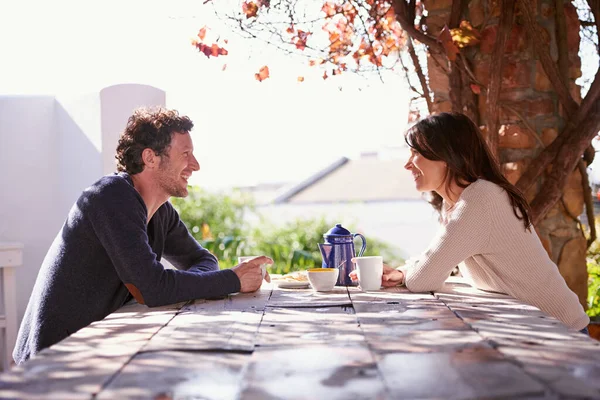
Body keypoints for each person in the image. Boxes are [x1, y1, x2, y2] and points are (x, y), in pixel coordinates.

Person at [13, 107, 272, 365]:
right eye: (185, 154)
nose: (195, 165)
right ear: (150, 158)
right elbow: (153, 289)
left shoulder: (161, 212)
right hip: (52, 361)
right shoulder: (111, 196)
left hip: (97, 348)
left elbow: (202, 259)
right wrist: (231, 280)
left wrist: (188, 282)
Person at [351, 112, 589, 334]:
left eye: (416, 153)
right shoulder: (458, 202)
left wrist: (407, 275)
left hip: (561, 331)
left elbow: (424, 278)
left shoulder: (481, 198)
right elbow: (434, 260)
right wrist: (402, 273)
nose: (408, 163)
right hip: (534, 327)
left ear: (446, 156)